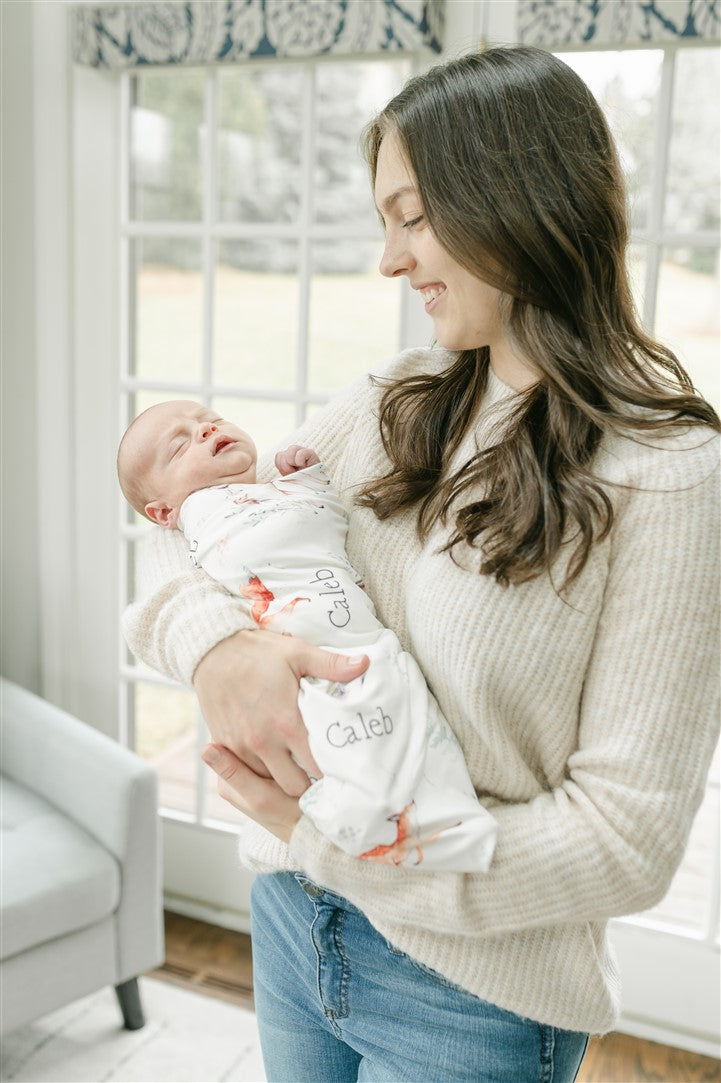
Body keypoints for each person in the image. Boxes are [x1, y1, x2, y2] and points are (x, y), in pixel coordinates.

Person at [123, 46, 720, 1083]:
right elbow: (190, 554)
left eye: (410, 216)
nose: (391, 260)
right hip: (292, 926)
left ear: (511, 197)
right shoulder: (396, 396)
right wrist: (217, 653)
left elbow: (625, 842)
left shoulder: (670, 475)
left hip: (473, 998)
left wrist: (332, 845)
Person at [117, 400, 498, 870]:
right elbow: (259, 540)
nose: (204, 431)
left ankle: (443, 825)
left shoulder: (271, 486)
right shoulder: (199, 516)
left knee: (410, 719)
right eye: (179, 445)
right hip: (299, 660)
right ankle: (362, 832)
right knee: (337, 743)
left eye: (209, 420)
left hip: (361, 640)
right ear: (163, 512)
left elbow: (322, 517)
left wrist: (306, 478)